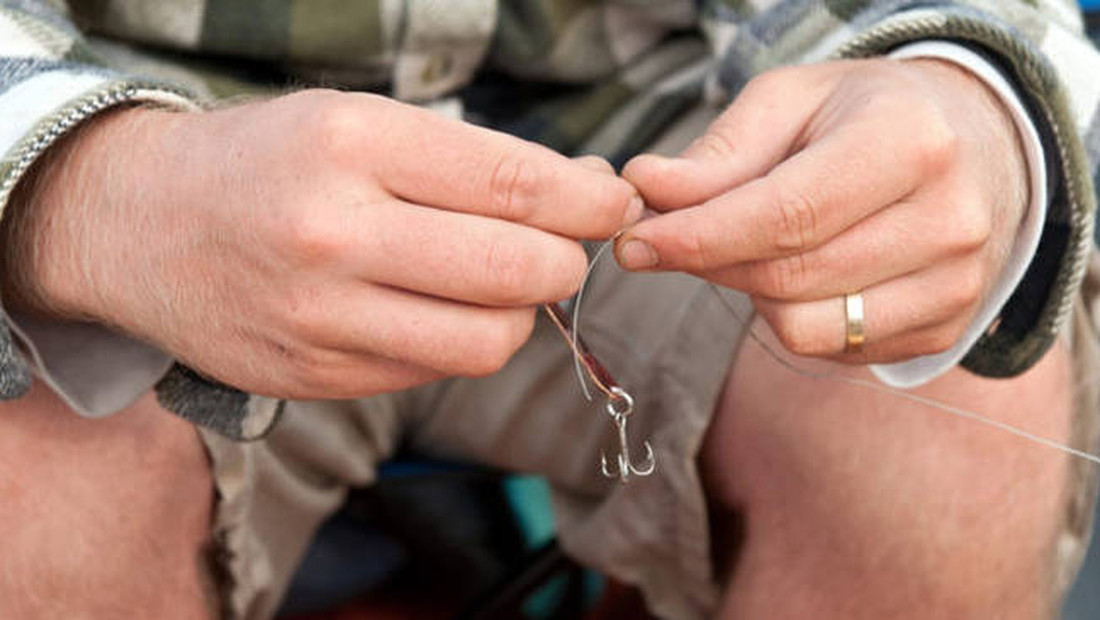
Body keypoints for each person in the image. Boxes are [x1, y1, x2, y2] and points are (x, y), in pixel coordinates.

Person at [0, 1, 1098, 618]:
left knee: (933, 429)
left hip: (674, 130)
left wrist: (967, 90)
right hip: (149, 156)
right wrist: (82, 193)